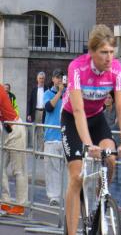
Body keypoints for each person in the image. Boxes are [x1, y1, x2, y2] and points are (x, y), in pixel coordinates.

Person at [61, 24, 121, 235]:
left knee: (110, 158)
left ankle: (101, 203)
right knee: (76, 176)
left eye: (111, 52)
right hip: (73, 118)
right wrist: (88, 144)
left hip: (97, 118)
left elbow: (120, 106)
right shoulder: (77, 67)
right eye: (103, 52)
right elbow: (79, 110)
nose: (109, 57)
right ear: (91, 52)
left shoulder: (117, 69)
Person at [0, 84, 27, 215]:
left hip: (15, 127)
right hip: (6, 129)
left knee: (18, 170)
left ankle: (20, 206)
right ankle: (5, 202)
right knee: (1, 168)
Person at [43, 69, 66, 207]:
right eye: (57, 77)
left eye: (61, 77)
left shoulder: (69, 94)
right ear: (53, 79)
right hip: (51, 136)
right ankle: (54, 196)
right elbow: (49, 107)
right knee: (51, 168)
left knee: (65, 169)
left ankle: (65, 194)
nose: (59, 80)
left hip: (65, 137)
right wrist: (59, 93)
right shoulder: (47, 93)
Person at [105, 92, 121, 211]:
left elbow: (117, 125)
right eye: (106, 97)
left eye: (109, 97)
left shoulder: (118, 110)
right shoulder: (104, 113)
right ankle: (113, 200)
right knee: (113, 175)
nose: (107, 99)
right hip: (112, 147)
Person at [27, 71, 48, 152]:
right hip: (35, 112)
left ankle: (41, 151)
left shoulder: (47, 89)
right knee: (34, 132)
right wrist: (28, 114)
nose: (41, 80)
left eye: (42, 78)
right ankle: (34, 150)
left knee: (41, 133)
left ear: (44, 79)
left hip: (43, 113)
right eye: (40, 78)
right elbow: (30, 102)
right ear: (37, 79)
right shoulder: (34, 89)